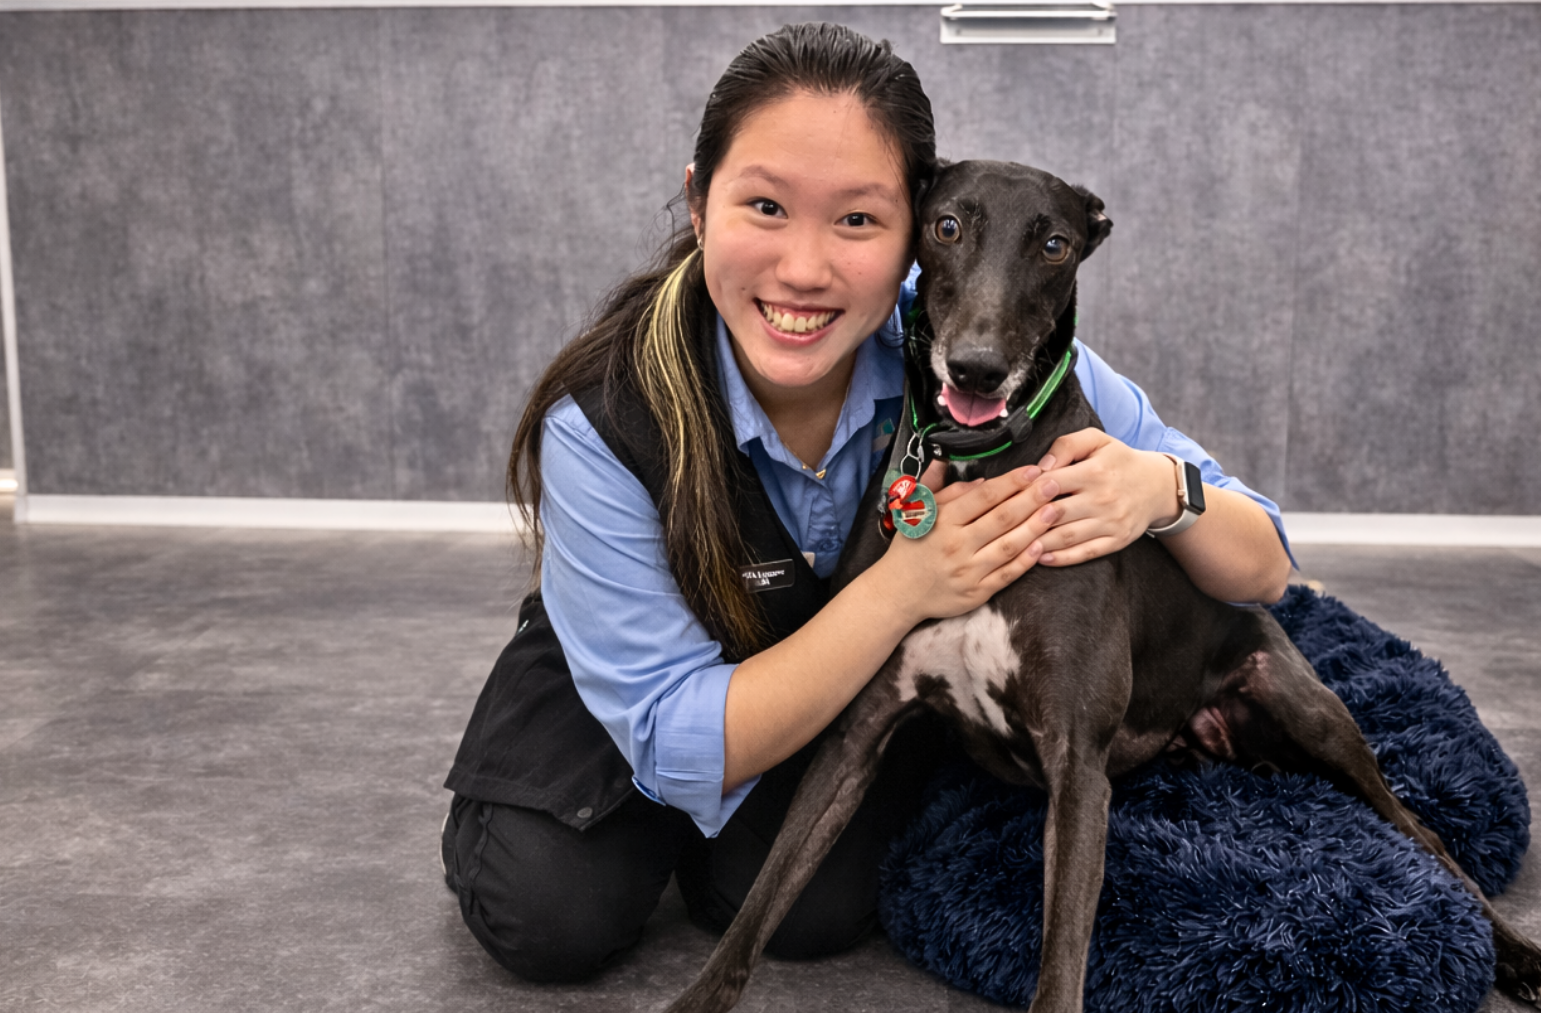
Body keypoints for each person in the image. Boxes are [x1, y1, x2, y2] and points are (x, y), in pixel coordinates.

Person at [441, 22, 1294, 985]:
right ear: (698, 200)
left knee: (822, 910)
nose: (805, 270)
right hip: (631, 699)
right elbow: (679, 742)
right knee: (550, 909)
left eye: (856, 222)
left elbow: (1266, 565)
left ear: (917, 234)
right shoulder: (603, 419)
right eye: (764, 206)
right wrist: (907, 587)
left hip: (814, 692)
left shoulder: (984, 365)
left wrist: (1161, 491)